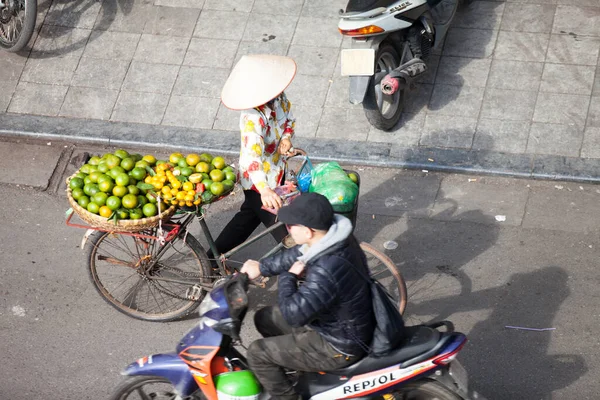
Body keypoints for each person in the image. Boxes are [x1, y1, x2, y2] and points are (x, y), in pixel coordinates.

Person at [241, 193, 375, 400]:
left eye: (290, 226)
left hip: (338, 343)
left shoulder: (327, 268)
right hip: (339, 322)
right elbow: (297, 255)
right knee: (264, 317)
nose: (288, 229)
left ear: (308, 231)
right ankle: (300, 366)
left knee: (257, 354)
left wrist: (288, 277)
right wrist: (261, 267)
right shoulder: (335, 238)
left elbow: (293, 315)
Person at [210, 54, 298, 263]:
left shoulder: (280, 98)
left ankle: (211, 261)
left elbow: (290, 119)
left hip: (277, 170)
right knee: (286, 233)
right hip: (259, 182)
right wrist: (265, 190)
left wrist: (286, 138)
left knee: (245, 221)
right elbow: (251, 158)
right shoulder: (253, 117)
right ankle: (300, 274)